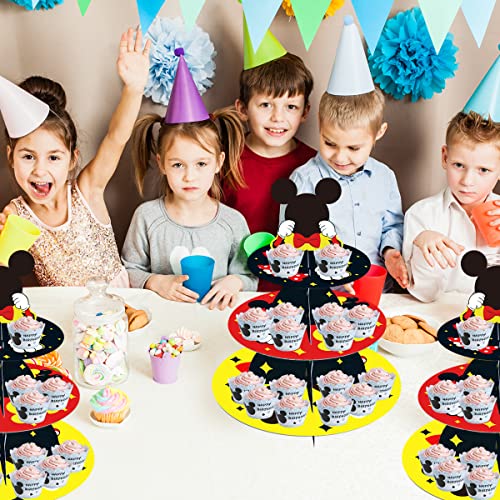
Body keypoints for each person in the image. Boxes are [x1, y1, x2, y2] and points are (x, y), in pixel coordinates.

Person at [0, 27, 150, 287]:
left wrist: (134, 89)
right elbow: (13, 279)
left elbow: (116, 137)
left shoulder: (88, 190)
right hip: (62, 312)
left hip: (120, 306)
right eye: (28, 157)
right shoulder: (15, 215)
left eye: (54, 158)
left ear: (72, 159)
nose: (40, 170)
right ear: (11, 156)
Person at [122, 49, 257, 310]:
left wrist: (235, 282)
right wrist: (155, 282)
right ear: (161, 163)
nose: (189, 176)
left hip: (214, 323)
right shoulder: (147, 217)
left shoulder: (232, 222)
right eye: (177, 165)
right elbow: (129, 270)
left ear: (218, 162)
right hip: (162, 324)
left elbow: (250, 276)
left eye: (201, 164)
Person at [281, 17, 407, 291]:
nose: (340, 157)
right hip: (322, 291)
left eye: (353, 148)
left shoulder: (384, 178)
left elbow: (392, 226)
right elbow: (289, 241)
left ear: (379, 133)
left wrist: (391, 253)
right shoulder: (304, 180)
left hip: (377, 290)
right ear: (319, 126)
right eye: (330, 143)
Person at [223, 28, 315, 235]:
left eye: (291, 107)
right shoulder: (225, 161)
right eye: (265, 105)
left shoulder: (313, 164)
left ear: (304, 112)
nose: (277, 117)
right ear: (242, 109)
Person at [403, 111, 500, 302]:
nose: (467, 181)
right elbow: (424, 294)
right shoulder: (421, 215)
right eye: (459, 165)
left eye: (483, 170)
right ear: (445, 157)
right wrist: (423, 247)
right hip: (439, 312)